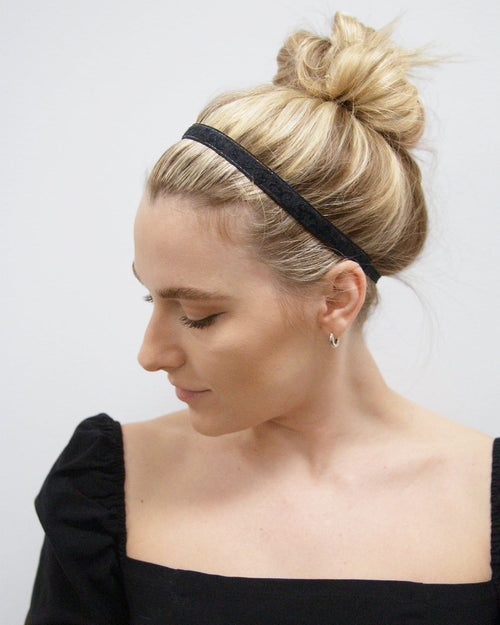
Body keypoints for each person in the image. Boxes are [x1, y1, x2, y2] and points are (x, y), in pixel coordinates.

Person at [26, 12, 499, 625]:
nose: (151, 354)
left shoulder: (483, 500)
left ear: (337, 299)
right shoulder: (103, 489)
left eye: (197, 314)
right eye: (151, 299)